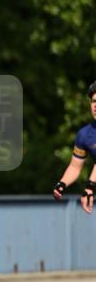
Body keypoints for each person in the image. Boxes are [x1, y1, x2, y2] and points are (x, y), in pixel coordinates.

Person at [52, 81, 96, 215]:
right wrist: (62, 184)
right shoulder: (85, 134)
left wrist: (89, 187)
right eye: (94, 101)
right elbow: (75, 166)